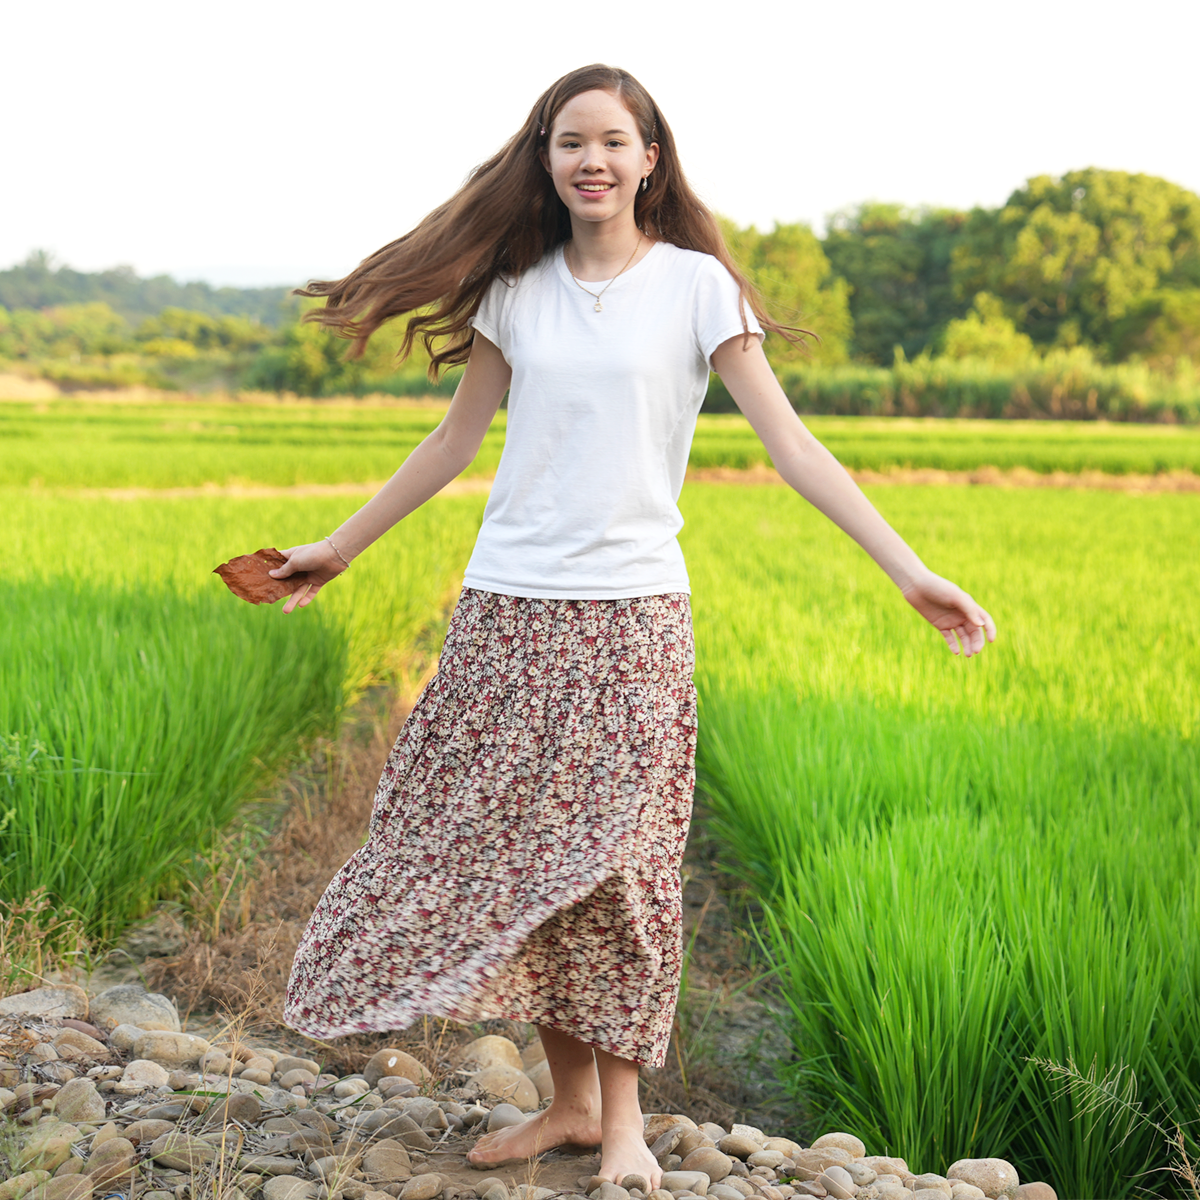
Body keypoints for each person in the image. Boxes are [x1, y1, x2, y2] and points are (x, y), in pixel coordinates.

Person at [272, 63, 995, 1189]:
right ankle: (568, 1110)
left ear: (651, 158)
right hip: (508, 615)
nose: (591, 160)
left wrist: (909, 570)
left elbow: (792, 445)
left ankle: (622, 1125)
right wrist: (340, 543)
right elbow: (454, 443)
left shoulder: (701, 287)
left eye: (613, 141)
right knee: (520, 863)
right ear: (545, 158)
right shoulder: (516, 289)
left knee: (620, 871)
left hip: (632, 626)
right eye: (570, 142)